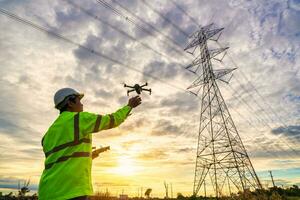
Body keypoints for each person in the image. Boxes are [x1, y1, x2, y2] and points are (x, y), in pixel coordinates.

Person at [38, 88, 142, 200]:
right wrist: (129, 106)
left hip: (46, 192)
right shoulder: (78, 119)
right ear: (70, 103)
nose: (82, 104)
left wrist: (93, 154)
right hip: (70, 191)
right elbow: (112, 120)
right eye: (79, 100)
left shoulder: (47, 135)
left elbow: (64, 159)